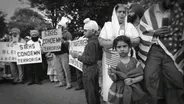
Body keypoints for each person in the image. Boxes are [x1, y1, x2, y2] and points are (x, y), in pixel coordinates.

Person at [138, 0, 184, 103]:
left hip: (172, 51)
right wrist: (155, 32)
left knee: (175, 78)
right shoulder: (150, 12)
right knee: (150, 77)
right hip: (154, 49)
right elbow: (142, 30)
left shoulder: (178, 12)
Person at [98, 4, 140, 101]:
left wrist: (126, 42)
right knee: (112, 78)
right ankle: (112, 100)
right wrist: (115, 43)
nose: (121, 14)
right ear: (115, 13)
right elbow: (101, 42)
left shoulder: (130, 26)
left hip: (128, 58)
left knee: (127, 79)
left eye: (124, 12)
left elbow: (137, 40)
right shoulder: (108, 25)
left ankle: (127, 100)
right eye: (119, 12)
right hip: (111, 57)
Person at [107, 35, 146, 104]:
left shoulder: (134, 61)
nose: (122, 49)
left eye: (124, 46)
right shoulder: (114, 61)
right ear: (115, 49)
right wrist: (112, 75)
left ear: (129, 47)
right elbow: (115, 79)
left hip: (134, 89)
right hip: (118, 90)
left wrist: (133, 80)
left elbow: (141, 76)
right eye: (119, 47)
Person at [71, 18, 101, 104]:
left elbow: (90, 60)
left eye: (85, 30)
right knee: (94, 91)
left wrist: (77, 56)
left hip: (89, 70)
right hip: (93, 69)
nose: (83, 32)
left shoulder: (91, 44)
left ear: (92, 31)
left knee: (90, 92)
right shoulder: (95, 41)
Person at [54, 17, 72, 89]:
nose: (59, 27)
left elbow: (71, 43)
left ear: (63, 26)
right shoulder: (54, 34)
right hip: (56, 53)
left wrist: (64, 42)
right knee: (58, 68)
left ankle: (69, 83)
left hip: (64, 53)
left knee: (66, 68)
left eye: (60, 26)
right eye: (58, 26)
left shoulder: (67, 33)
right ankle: (61, 82)